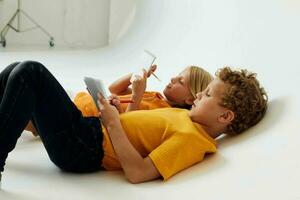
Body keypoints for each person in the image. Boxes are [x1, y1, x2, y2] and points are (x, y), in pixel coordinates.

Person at [0, 61, 267, 185]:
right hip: (88, 133)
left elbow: (138, 173)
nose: (199, 95)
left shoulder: (194, 138)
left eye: (207, 94)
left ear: (225, 116)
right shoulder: (184, 117)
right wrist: (118, 112)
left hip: (86, 147)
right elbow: (135, 128)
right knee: (17, 70)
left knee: (30, 73)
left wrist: (114, 124)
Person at [25, 64, 213, 135]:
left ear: (190, 99)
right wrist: (138, 75)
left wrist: (137, 95)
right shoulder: (155, 96)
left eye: (181, 81)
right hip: (77, 101)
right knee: (29, 94)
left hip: (79, 116)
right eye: (177, 75)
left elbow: (128, 126)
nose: (173, 79)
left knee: (28, 106)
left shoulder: (166, 113)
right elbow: (115, 89)